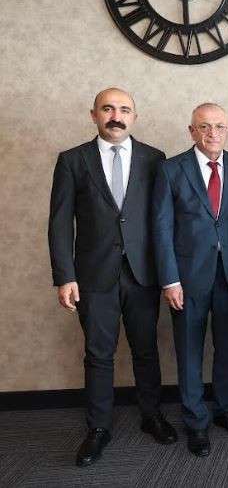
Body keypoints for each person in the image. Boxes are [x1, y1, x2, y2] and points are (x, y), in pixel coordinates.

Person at [48, 88, 176, 467]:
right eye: (107, 109)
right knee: (98, 354)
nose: (116, 116)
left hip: (142, 273)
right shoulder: (73, 160)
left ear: (134, 117)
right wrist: (64, 276)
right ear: (94, 115)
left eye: (124, 109)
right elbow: (60, 223)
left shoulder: (155, 159)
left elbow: (163, 220)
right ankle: (99, 428)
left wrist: (169, 273)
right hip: (93, 275)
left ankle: (152, 415)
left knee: (145, 348)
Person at [152, 103, 228, 457]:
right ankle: (196, 421)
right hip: (187, 278)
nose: (212, 133)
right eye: (204, 126)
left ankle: (225, 410)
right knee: (189, 351)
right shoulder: (170, 169)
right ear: (191, 131)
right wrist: (169, 279)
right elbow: (161, 227)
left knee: (227, 349)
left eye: (219, 126)